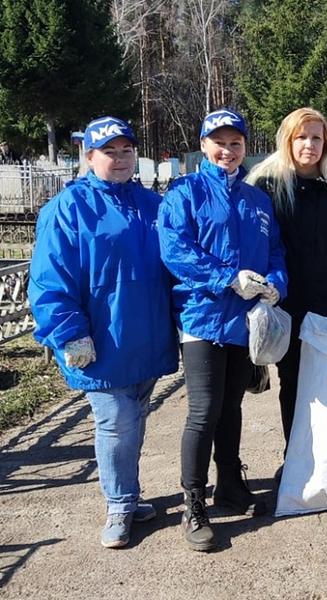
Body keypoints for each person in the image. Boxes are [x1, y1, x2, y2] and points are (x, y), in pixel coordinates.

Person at [28, 116, 179, 549]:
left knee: (133, 421)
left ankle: (130, 496)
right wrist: (68, 332)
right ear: (89, 156)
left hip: (147, 337)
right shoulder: (68, 208)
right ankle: (118, 503)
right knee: (114, 424)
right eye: (109, 151)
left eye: (126, 150)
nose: (119, 158)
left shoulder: (152, 205)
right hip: (100, 341)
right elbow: (49, 279)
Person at [158, 108, 288, 551]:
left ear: (245, 146)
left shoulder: (257, 200)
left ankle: (229, 483)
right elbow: (176, 251)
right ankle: (193, 502)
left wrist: (276, 285)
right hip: (202, 317)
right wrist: (226, 278)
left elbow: (275, 253)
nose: (227, 150)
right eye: (218, 142)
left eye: (235, 143)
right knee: (203, 410)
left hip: (245, 321)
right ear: (203, 144)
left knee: (232, 406)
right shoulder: (185, 193)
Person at [247, 107, 327, 452]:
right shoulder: (265, 186)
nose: (309, 145)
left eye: (317, 137)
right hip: (286, 304)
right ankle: (297, 456)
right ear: (288, 140)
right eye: (301, 137)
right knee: (294, 384)